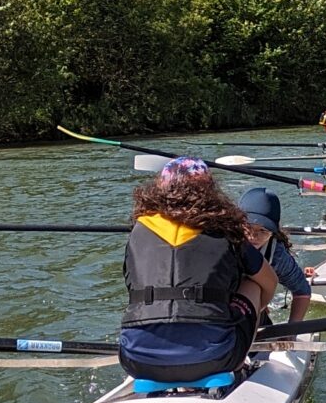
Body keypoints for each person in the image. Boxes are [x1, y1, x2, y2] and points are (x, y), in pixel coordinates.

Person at [117, 158, 279, 389]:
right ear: (209, 190)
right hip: (217, 357)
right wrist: (251, 315)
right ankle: (240, 361)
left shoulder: (138, 231)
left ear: (160, 189)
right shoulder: (226, 230)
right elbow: (270, 282)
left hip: (136, 361)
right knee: (252, 284)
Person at [236, 187, 315, 326]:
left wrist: (292, 328)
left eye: (263, 230)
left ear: (273, 232)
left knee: (252, 287)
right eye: (248, 227)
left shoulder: (276, 254)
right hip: (218, 307)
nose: (254, 236)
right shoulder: (221, 242)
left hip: (250, 309)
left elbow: (302, 291)